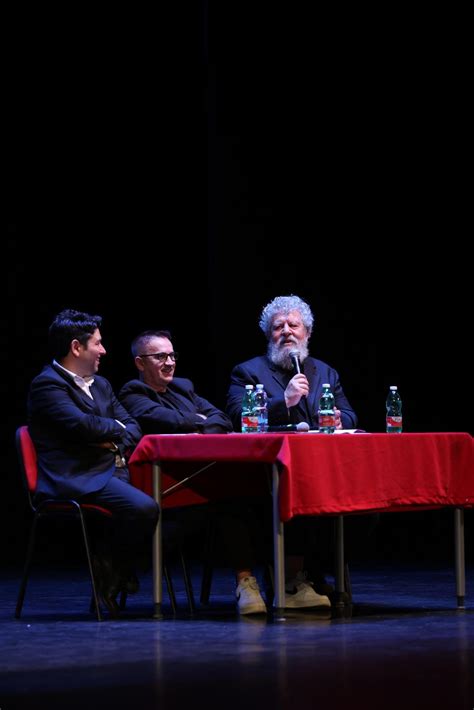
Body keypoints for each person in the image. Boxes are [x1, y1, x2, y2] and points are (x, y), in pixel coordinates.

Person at [119, 329, 267, 615]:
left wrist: (197, 423)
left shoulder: (183, 387)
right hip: (164, 485)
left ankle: (284, 582)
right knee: (232, 496)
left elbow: (222, 419)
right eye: (160, 356)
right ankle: (245, 581)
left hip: (202, 477)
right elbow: (161, 419)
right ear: (140, 363)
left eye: (172, 355)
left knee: (255, 491)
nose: (170, 362)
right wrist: (198, 421)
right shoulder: (132, 393)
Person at [226, 294, 359, 609]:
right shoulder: (248, 372)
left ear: (307, 333)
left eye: (293, 325)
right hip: (265, 473)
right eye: (277, 326)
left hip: (323, 471)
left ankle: (312, 571)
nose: (285, 331)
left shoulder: (325, 373)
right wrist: (282, 402)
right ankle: (291, 579)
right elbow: (235, 416)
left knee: (365, 510)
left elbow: (351, 415)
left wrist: (341, 418)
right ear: (269, 335)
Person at [27, 309, 159, 617]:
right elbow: (82, 426)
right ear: (77, 347)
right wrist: (113, 430)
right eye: (97, 343)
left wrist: (112, 434)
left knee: (171, 509)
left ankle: (112, 567)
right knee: (144, 509)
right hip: (74, 475)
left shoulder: (100, 384)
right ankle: (110, 572)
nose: (104, 350)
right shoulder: (47, 385)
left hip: (111, 468)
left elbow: (132, 425)